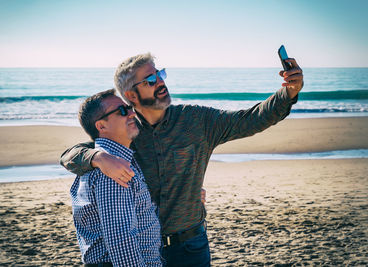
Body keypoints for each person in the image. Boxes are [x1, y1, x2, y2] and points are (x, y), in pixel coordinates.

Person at [61, 53, 304, 266]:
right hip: (145, 249)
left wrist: (289, 92)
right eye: (150, 80)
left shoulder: (197, 120)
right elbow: (70, 156)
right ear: (131, 95)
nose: (161, 83)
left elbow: (251, 119)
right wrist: (98, 157)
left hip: (191, 246)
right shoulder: (126, 131)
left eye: (160, 74)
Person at [70, 89, 163, 267]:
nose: (132, 113)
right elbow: (121, 240)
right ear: (101, 126)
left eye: (129, 108)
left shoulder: (112, 160)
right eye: (122, 111)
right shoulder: (112, 170)